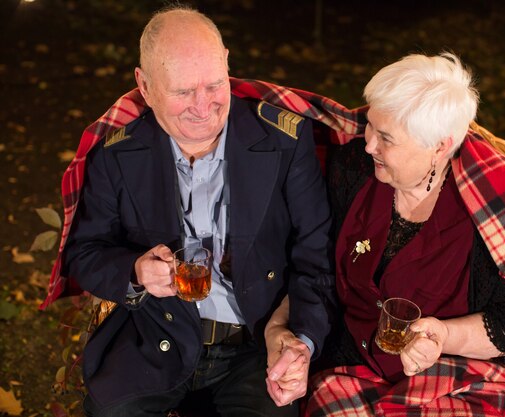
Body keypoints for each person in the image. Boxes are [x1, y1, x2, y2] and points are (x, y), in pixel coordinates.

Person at [264, 53, 505, 416]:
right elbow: (318, 270)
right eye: (370, 126)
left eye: (386, 138)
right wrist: (282, 329)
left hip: (467, 377)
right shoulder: (354, 168)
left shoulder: (494, 204)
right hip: (358, 367)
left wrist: (443, 336)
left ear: (440, 146)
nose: (368, 145)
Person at [60, 6, 335, 416]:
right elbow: (84, 254)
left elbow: (317, 258)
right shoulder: (117, 154)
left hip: (256, 345)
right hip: (153, 339)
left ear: (227, 63)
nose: (203, 107)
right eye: (183, 92)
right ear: (146, 86)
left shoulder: (284, 143)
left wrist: (301, 341)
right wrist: (136, 271)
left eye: (213, 85)